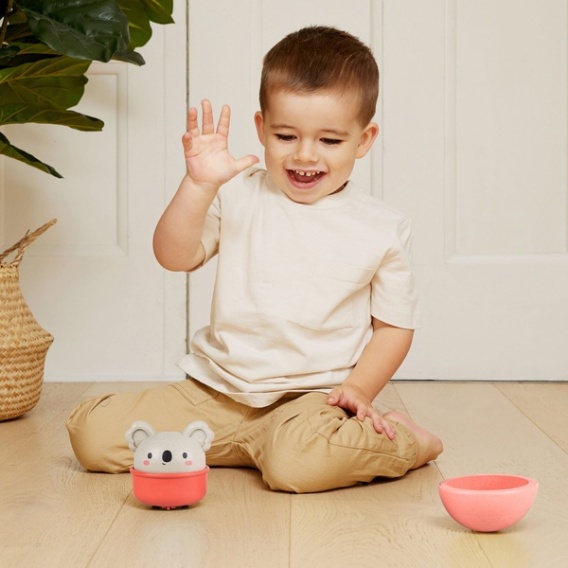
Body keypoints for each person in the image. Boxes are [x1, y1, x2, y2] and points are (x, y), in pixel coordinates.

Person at [67, 26, 442, 493]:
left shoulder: (382, 226)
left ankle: (405, 441)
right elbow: (173, 255)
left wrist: (359, 389)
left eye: (330, 141)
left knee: (296, 464)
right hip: (215, 394)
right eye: (286, 135)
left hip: (311, 403)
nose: (305, 155)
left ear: (363, 140)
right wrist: (199, 185)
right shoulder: (238, 194)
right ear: (262, 128)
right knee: (92, 436)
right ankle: (248, 446)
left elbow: (393, 327)